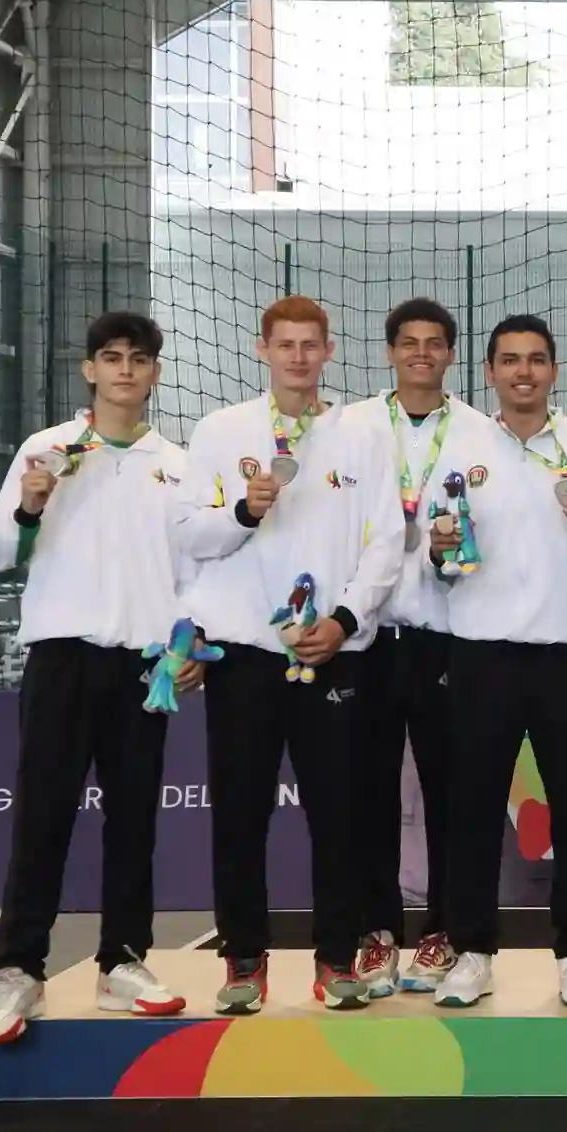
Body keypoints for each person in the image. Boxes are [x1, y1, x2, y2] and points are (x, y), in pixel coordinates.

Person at [0, 313, 195, 1042]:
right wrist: (30, 504)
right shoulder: (47, 449)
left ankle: (122, 962)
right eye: (112, 357)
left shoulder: (180, 465)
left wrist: (187, 642)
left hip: (144, 667)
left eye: (139, 358)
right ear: (89, 369)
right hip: (61, 658)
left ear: (155, 373)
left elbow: (195, 573)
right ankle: (19, 970)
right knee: (42, 817)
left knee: (134, 821)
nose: (125, 369)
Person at [179, 296, 404, 1013]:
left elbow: (386, 543)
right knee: (240, 815)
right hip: (245, 654)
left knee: (339, 816)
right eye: (286, 345)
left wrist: (343, 621)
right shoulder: (221, 431)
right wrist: (243, 511)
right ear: (262, 349)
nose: (299, 357)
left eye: (311, 345)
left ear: (329, 351)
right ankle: (244, 961)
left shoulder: (362, 436)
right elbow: (190, 536)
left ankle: (335, 960)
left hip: (333, 652)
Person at [429, 315, 567, 1008]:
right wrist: (439, 546)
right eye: (510, 360)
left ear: (554, 370)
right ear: (488, 372)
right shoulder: (457, 448)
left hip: (566, 652)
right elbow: (436, 552)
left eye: (536, 359)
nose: (523, 372)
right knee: (473, 810)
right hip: (479, 653)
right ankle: (472, 953)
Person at [339, 298, 478, 996]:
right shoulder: (352, 426)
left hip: (444, 636)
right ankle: (377, 932)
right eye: (409, 342)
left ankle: (444, 930)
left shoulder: (477, 432)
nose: (421, 353)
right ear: (391, 351)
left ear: (450, 354)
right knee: (369, 794)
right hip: (367, 637)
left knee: (450, 794)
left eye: (434, 343)